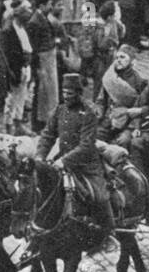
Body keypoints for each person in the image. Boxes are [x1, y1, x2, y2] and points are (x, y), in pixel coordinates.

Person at [36, 73, 116, 252]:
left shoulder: (88, 112)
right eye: (64, 93)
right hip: (63, 161)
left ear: (79, 93)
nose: (66, 96)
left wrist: (63, 161)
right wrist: (40, 157)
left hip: (86, 165)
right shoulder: (60, 110)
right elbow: (48, 134)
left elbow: (86, 145)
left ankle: (108, 232)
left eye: (70, 93)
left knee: (98, 195)